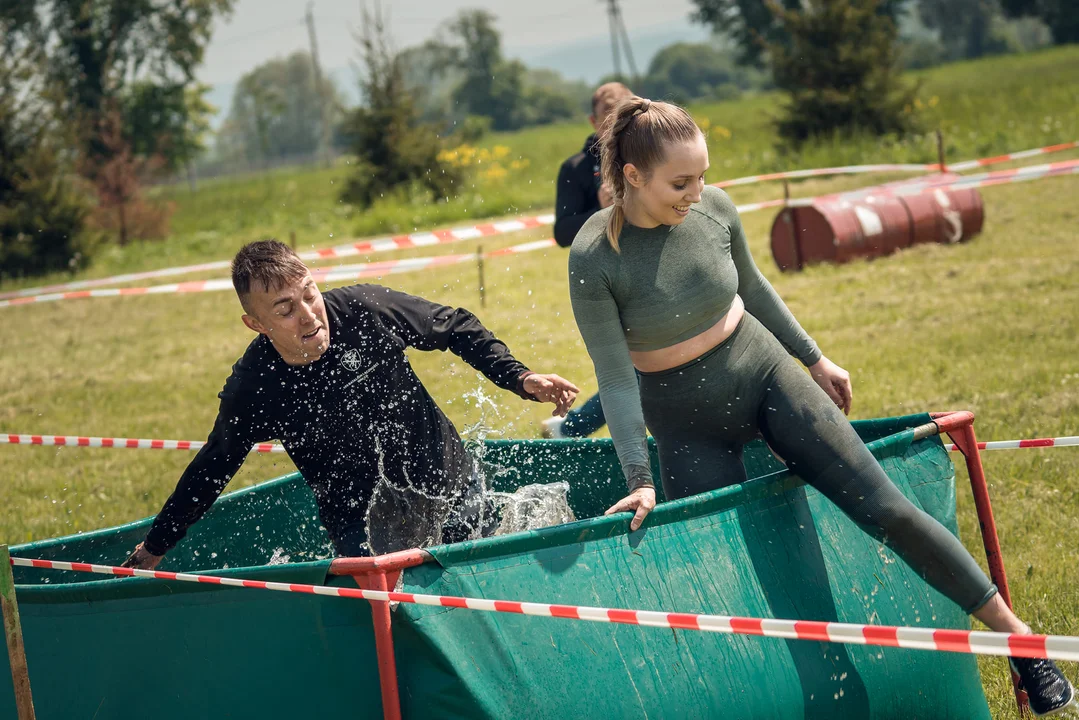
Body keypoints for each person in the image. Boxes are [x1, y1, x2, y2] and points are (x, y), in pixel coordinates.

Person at [567, 96, 1074, 716]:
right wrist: (640, 481)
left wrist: (814, 357)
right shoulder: (594, 257)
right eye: (681, 182)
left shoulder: (716, 208)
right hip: (684, 426)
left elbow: (753, 288)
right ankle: (831, 691)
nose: (698, 193)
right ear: (634, 176)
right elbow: (616, 381)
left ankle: (1020, 641)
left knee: (887, 506)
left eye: (702, 175)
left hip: (764, 374)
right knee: (770, 568)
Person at [122, 239, 578, 569]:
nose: (308, 315)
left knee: (479, 580)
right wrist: (156, 546)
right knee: (388, 618)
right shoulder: (255, 387)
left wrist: (520, 377)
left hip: (443, 478)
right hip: (359, 518)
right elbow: (212, 468)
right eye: (284, 309)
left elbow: (454, 326)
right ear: (255, 323)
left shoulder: (365, 310)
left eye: (309, 293)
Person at [544, 81, 633, 440]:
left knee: (645, 367)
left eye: (622, 117)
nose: (614, 127)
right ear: (592, 121)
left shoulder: (646, 154)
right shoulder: (576, 168)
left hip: (651, 268)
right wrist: (600, 210)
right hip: (604, 278)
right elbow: (563, 232)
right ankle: (571, 428)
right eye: (606, 119)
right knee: (633, 370)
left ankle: (569, 428)